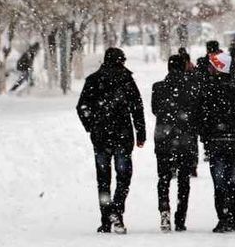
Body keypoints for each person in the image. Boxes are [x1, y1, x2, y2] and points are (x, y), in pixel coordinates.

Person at [76, 48, 146, 234]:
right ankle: (117, 209)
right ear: (121, 61)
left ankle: (106, 219)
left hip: (101, 137)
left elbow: (82, 106)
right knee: (124, 176)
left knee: (103, 179)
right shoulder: (126, 79)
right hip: (122, 136)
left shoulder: (93, 80)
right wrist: (141, 134)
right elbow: (137, 108)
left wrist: (91, 125)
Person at [197, 51, 235, 233]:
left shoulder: (207, 87)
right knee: (233, 179)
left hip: (215, 140)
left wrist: (204, 137)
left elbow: (201, 115)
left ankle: (223, 217)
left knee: (219, 181)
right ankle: (232, 216)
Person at [152, 55, 201, 232]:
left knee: (163, 178)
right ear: (184, 67)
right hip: (185, 139)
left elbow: (155, 110)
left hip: (163, 137)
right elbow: (196, 112)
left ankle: (164, 211)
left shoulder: (158, 87)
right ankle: (180, 217)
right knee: (183, 179)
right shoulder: (192, 87)